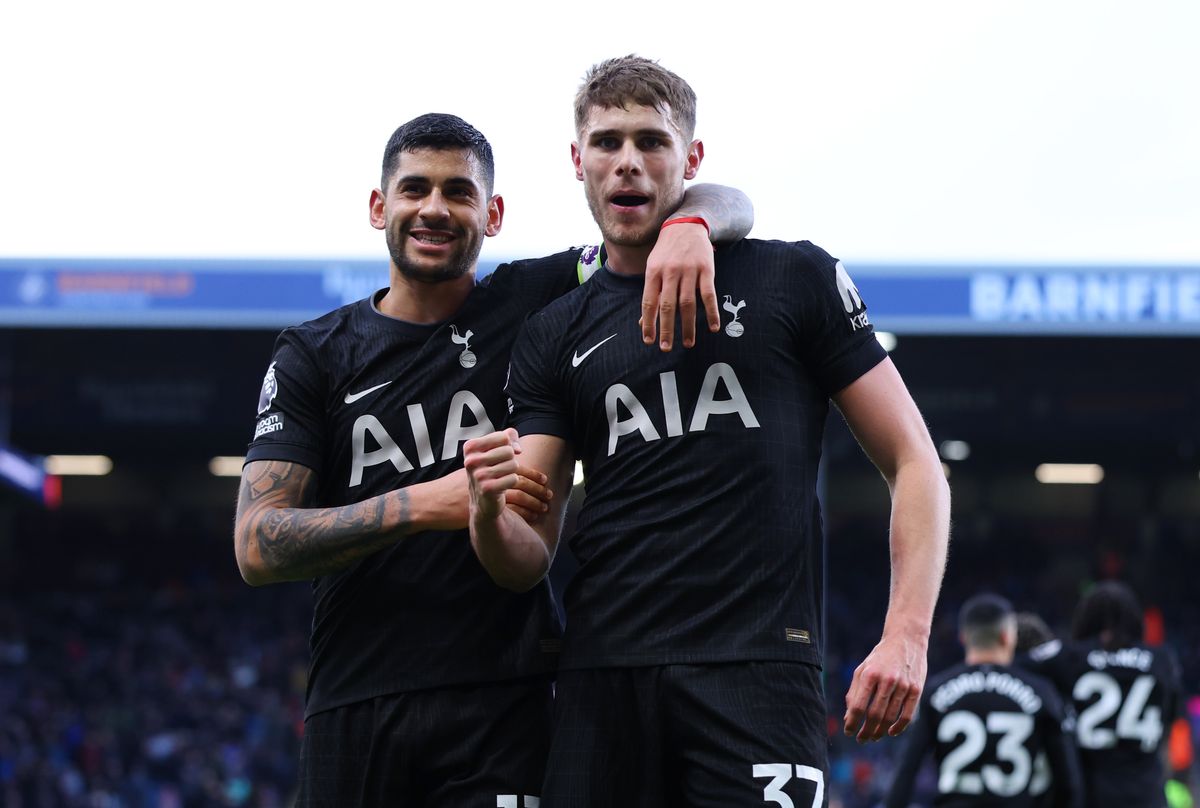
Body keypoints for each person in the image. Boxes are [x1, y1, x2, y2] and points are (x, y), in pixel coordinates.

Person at [464, 56, 951, 806]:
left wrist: (908, 635)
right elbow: (527, 558)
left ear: (691, 160)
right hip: (602, 681)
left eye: (652, 141)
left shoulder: (794, 279)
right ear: (577, 160)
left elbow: (914, 458)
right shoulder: (552, 331)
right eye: (607, 141)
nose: (628, 161)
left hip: (760, 672)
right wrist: (488, 511)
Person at [233, 112, 752, 806]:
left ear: (494, 213)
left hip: (506, 705)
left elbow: (723, 204)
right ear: (378, 207)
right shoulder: (314, 354)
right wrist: (424, 504)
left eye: (459, 191)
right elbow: (256, 546)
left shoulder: (537, 298)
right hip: (356, 701)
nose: (435, 209)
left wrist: (689, 229)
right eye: (415, 189)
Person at [885, 593, 1083, 808]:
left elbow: (906, 773)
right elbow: (1068, 784)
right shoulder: (1041, 692)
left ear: (963, 637)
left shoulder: (937, 692)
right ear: (1007, 636)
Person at [1021, 581, 1184, 808]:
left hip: (1091, 795)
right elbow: (1170, 720)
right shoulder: (1162, 661)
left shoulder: (1069, 657)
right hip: (1147, 796)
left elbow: (1020, 666)